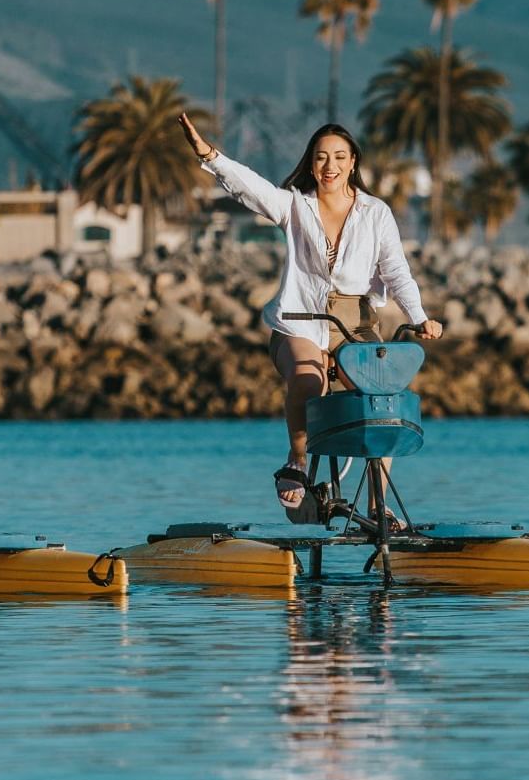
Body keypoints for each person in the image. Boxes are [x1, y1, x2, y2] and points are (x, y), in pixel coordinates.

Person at [179, 114, 442, 518]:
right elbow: (252, 188)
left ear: (353, 161)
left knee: (383, 397)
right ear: (311, 162)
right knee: (308, 377)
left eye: (339, 157)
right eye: (321, 158)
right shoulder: (295, 205)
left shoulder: (375, 212)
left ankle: (378, 504)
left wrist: (420, 316)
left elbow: (396, 270)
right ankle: (297, 460)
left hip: (355, 325)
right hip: (298, 321)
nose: (329, 166)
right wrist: (210, 156)